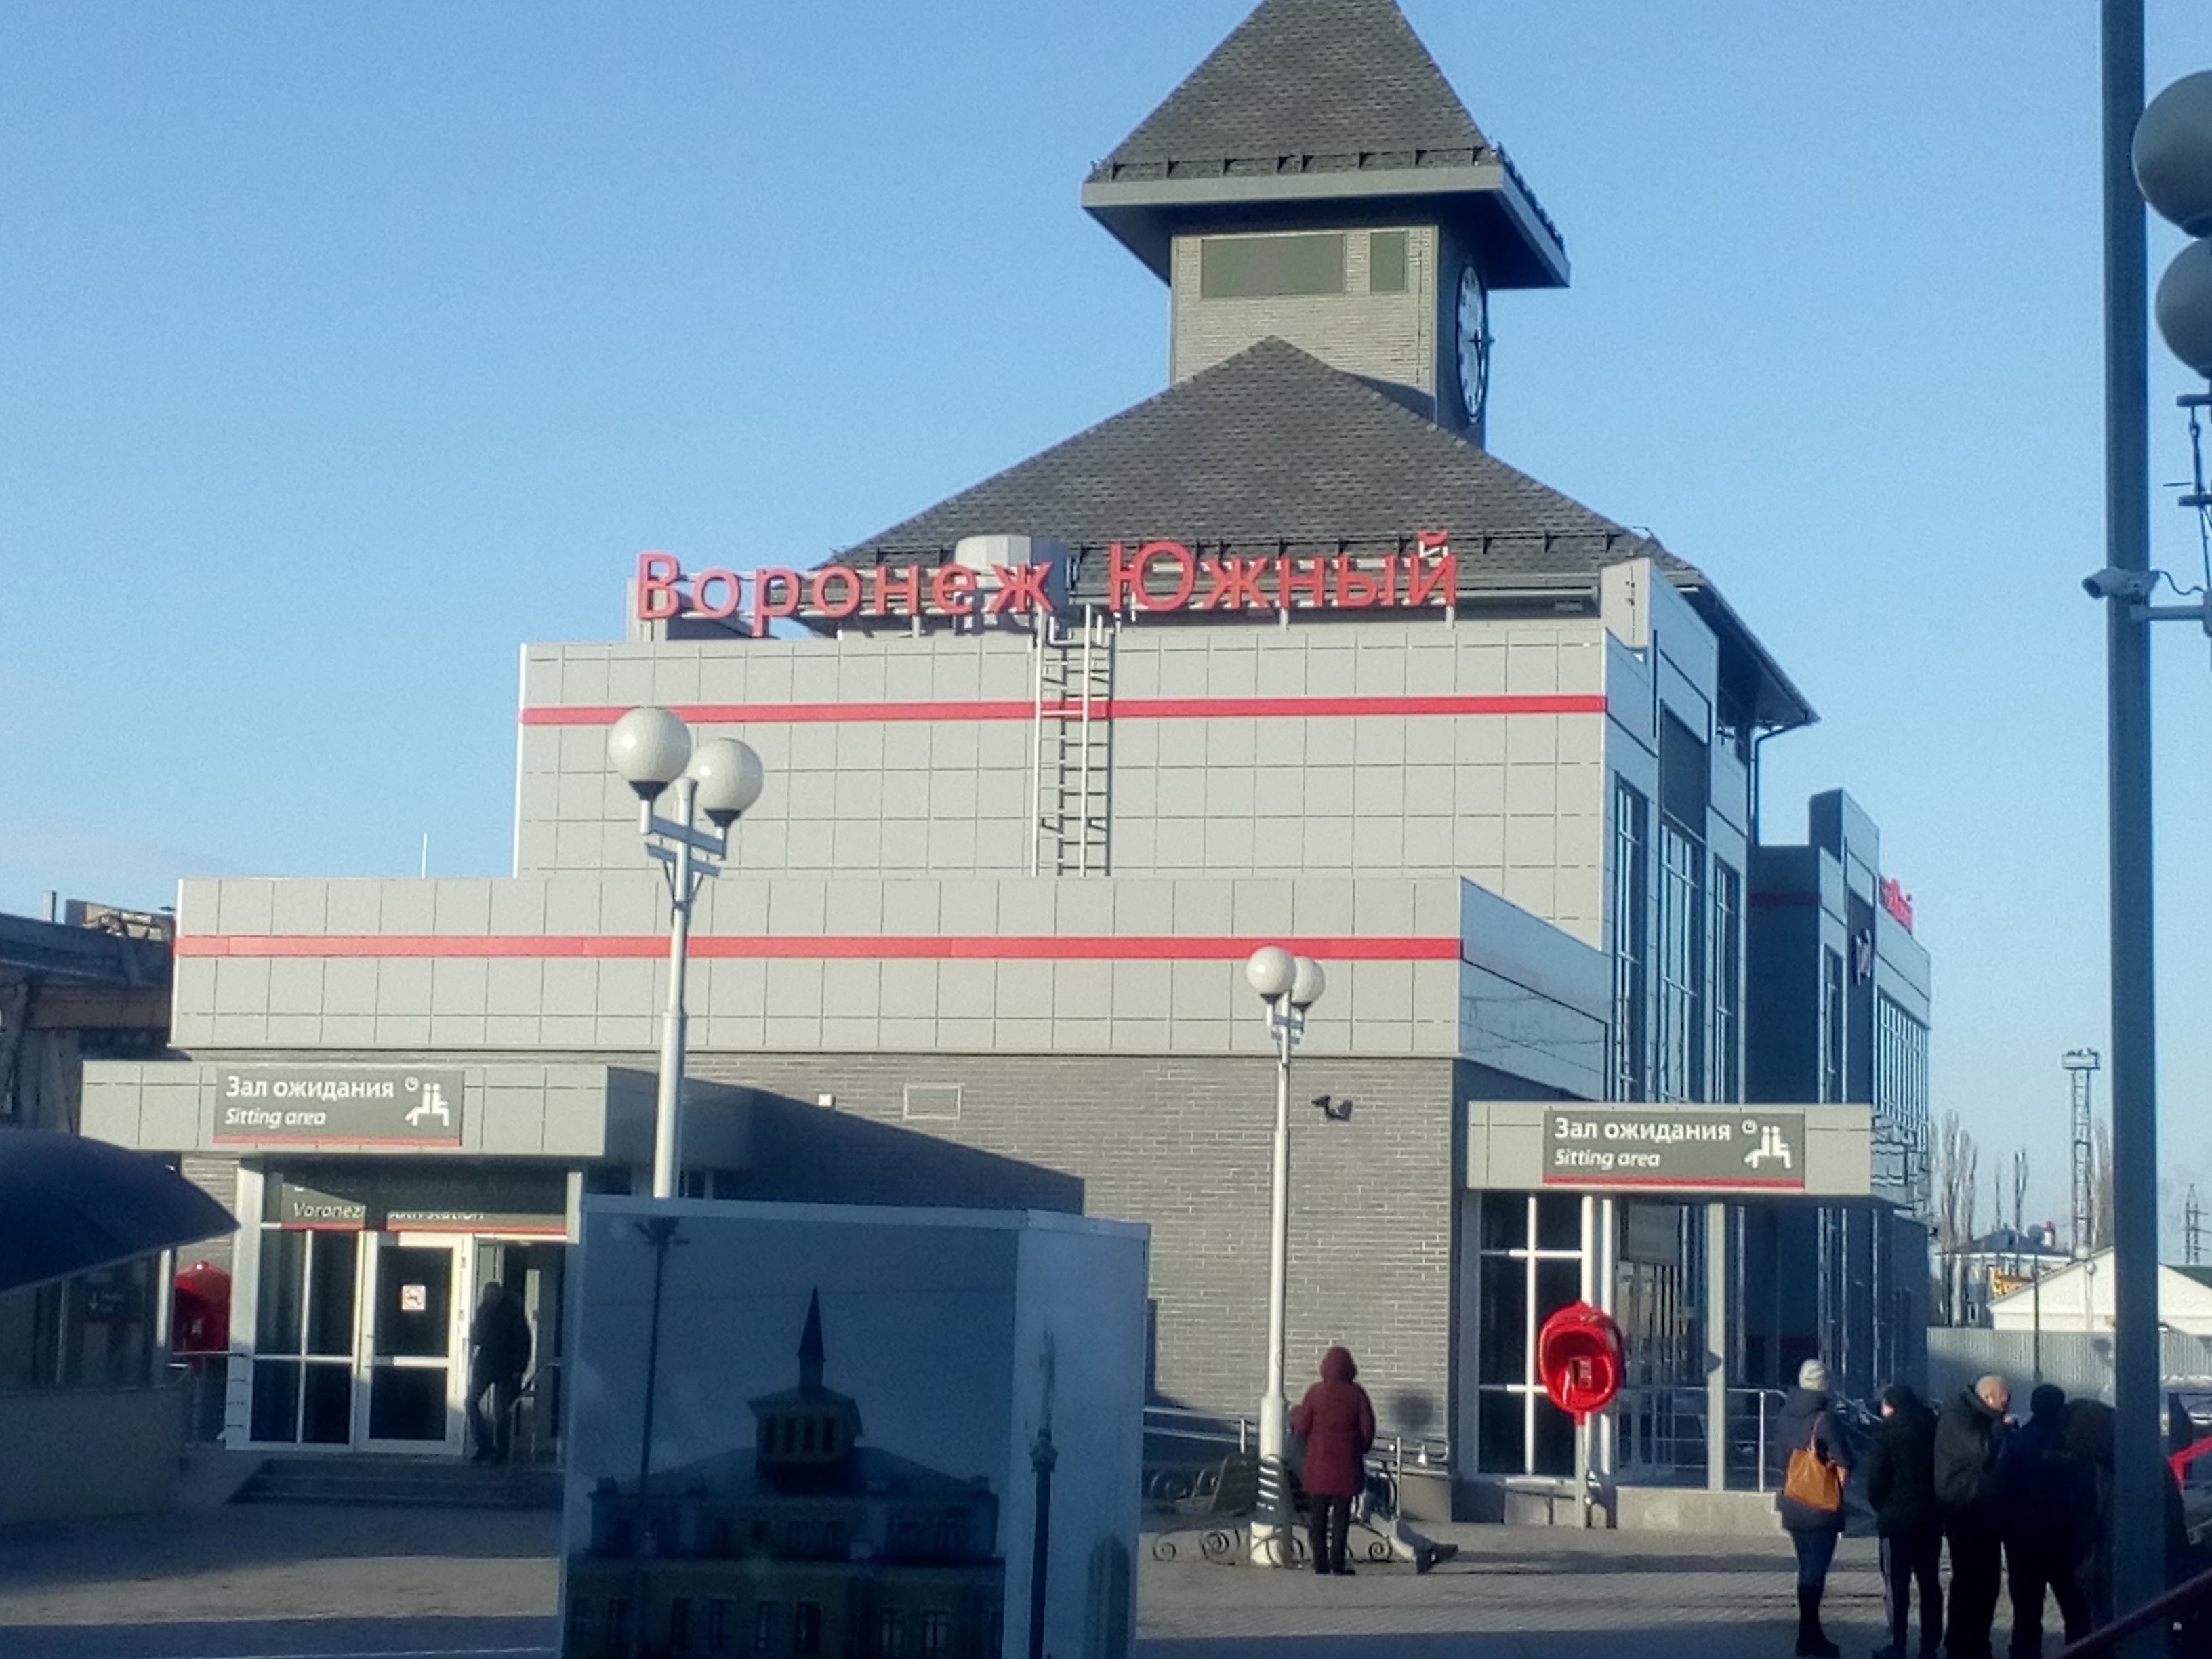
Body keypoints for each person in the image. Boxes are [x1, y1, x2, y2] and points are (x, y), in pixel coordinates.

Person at [1996, 1384, 2091, 1656]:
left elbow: (2002, 1489)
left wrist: (2006, 1531)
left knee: (2026, 1615)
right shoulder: (2073, 1443)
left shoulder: (2017, 1442)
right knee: (2076, 1611)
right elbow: (2087, 1490)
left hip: (2024, 1542)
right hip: (2067, 1540)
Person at [1776, 1358, 1853, 1658]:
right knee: (1815, 1572)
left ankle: (1810, 1634)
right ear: (1824, 1385)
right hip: (1821, 1507)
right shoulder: (1825, 1419)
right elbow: (1845, 1459)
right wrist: (1838, 1487)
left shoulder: (1785, 1413)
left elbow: (1778, 1458)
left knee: (1805, 1568)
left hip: (1793, 1501)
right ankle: (1808, 1637)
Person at [1936, 1374, 2013, 1659]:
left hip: (1979, 1509)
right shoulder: (1959, 1416)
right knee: (1971, 1580)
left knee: (1984, 1581)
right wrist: (2002, 1428)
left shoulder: (1969, 1413)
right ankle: (1963, 1643)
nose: (2006, 1407)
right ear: (1989, 1398)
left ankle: (1974, 1641)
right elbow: (1982, 1450)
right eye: (2004, 1401)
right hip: (1966, 1509)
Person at [1865, 1382, 1944, 1659]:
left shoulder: (1887, 1432)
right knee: (1929, 1582)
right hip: (1930, 1517)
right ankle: (1930, 1644)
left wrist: (1882, 1507)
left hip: (1896, 1519)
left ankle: (1897, 1643)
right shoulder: (1933, 1427)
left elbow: (1876, 1478)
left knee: (1897, 1584)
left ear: (1891, 1405)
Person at [1290, 1346, 1374, 1576]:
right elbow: (1367, 1429)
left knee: (1317, 1517)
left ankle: (1320, 1563)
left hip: (1318, 1466)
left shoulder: (1315, 1393)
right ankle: (1338, 1562)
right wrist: (1358, 1449)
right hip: (1347, 1466)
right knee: (1341, 1517)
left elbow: (1301, 1427)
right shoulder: (1357, 1394)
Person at [466, 1279, 532, 1464]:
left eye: (493, 1294)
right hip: (486, 1364)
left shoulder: (512, 1312)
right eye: (487, 1295)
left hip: (507, 1366)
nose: (490, 1298)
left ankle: (502, 1452)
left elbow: (523, 1340)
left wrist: (519, 1367)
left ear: (500, 1294)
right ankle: (485, 1445)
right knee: (471, 1402)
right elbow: (478, 1338)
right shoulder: (483, 1310)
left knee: (502, 1412)